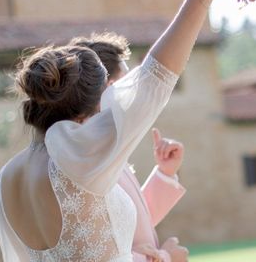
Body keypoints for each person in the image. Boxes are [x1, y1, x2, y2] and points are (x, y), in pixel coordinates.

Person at [0, 0, 256, 262]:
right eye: (118, 90)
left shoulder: (4, 179)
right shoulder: (77, 152)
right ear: (103, 94)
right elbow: (157, 75)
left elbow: (94, 238)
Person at [70, 32, 188, 262]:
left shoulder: (105, 147)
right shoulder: (86, 158)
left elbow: (128, 221)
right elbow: (96, 252)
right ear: (109, 87)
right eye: (127, 83)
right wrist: (164, 258)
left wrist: (165, 173)